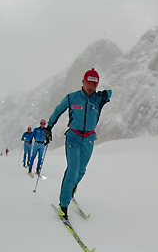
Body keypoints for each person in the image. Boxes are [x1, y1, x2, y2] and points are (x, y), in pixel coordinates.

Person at [45, 68, 112, 220]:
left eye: (94, 84)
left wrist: (104, 94)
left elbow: (111, 92)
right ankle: (63, 205)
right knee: (73, 169)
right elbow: (57, 111)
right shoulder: (72, 98)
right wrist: (49, 127)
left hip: (89, 139)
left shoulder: (98, 99)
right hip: (73, 138)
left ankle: (72, 188)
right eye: (89, 82)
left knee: (81, 170)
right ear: (83, 81)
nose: (91, 86)